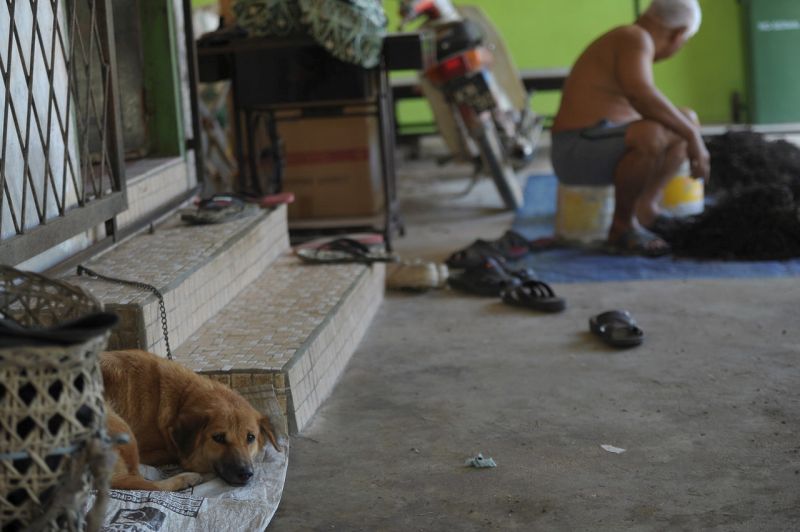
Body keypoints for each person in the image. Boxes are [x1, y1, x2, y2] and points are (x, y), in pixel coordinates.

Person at [551, 0, 709, 256]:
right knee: (653, 134)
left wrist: (688, 129)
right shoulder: (633, 37)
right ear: (678, 35)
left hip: (598, 146)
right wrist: (693, 137)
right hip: (575, 152)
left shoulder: (633, 40)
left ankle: (644, 211)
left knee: (684, 118)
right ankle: (621, 227)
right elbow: (641, 97)